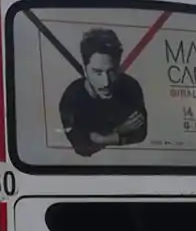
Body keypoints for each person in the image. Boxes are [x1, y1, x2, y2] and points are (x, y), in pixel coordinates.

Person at [58, 28, 148, 156]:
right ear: (85, 70)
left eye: (111, 71)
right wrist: (119, 130)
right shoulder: (71, 99)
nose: (106, 82)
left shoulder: (130, 86)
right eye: (97, 72)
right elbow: (82, 148)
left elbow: (139, 135)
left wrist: (99, 138)